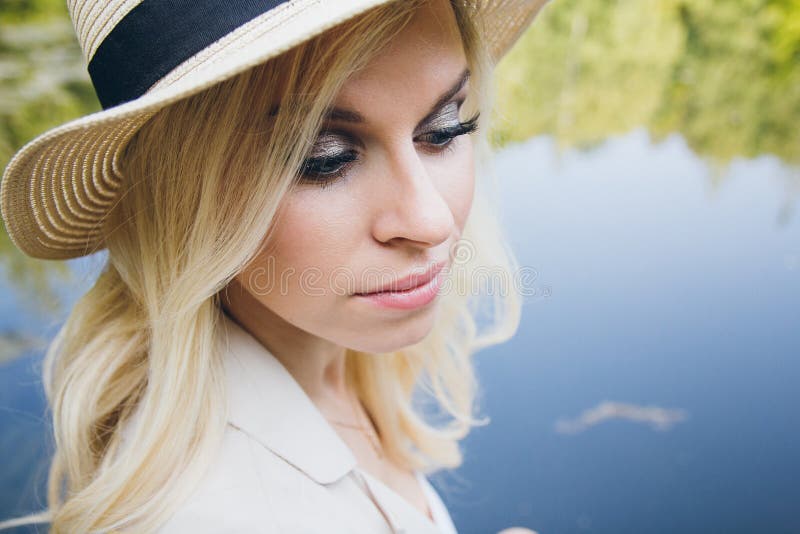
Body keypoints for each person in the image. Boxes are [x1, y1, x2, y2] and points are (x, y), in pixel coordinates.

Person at [0, 0, 549, 532]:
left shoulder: (330, 357)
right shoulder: (214, 516)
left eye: (445, 128)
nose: (430, 221)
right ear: (183, 194)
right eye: (325, 156)